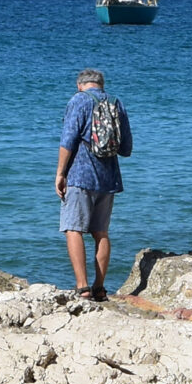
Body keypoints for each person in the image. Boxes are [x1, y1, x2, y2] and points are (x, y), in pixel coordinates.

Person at [55, 68, 132, 301]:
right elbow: (126, 148)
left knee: (73, 228)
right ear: (101, 85)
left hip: (80, 176)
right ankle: (100, 288)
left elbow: (68, 139)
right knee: (101, 232)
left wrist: (60, 173)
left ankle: (83, 287)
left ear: (80, 85)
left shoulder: (78, 101)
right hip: (109, 178)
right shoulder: (116, 103)